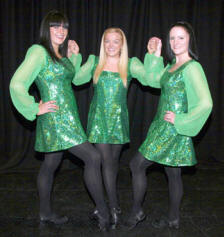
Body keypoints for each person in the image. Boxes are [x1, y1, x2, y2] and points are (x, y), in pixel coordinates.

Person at [9, 10, 110, 231]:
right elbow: (17, 83)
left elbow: (74, 79)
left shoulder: (59, 56)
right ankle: (103, 211)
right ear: (47, 29)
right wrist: (35, 107)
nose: (61, 31)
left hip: (69, 116)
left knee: (50, 164)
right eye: (55, 26)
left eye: (64, 27)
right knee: (93, 157)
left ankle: (45, 213)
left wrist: (74, 56)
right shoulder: (38, 51)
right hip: (56, 118)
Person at [126, 21, 213, 229]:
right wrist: (155, 55)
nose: (175, 42)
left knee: (136, 164)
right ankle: (173, 218)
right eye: (172, 38)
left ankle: (137, 211)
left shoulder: (193, 67)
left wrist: (181, 119)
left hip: (172, 129)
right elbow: (153, 80)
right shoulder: (173, 65)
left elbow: (206, 103)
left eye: (180, 37)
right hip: (162, 125)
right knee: (172, 172)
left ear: (190, 39)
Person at [73, 27, 148, 228]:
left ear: (122, 44)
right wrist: (75, 56)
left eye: (116, 41)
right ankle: (113, 207)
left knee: (113, 163)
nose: (111, 45)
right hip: (99, 120)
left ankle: (110, 206)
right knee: (106, 162)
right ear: (102, 44)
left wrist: (154, 57)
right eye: (107, 41)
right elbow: (77, 79)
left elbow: (152, 79)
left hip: (118, 121)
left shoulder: (130, 64)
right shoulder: (95, 62)